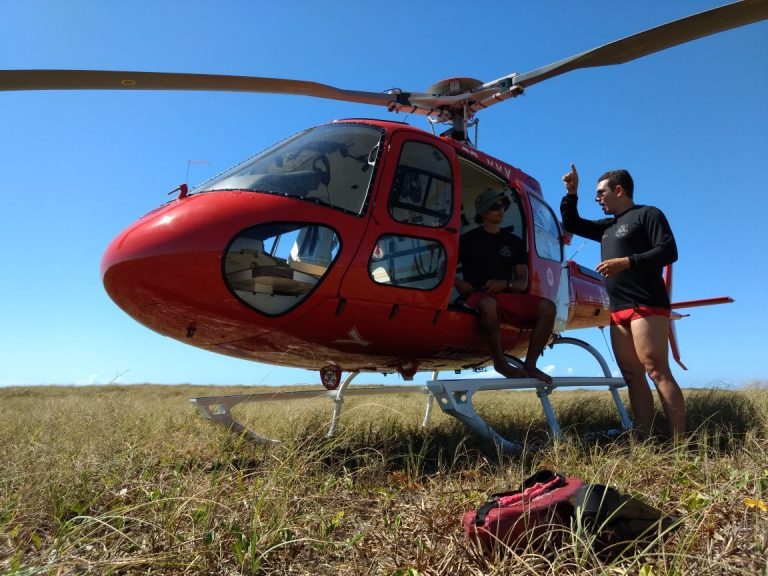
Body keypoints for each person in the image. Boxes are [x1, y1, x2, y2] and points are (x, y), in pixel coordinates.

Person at [560, 164, 683, 439]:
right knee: (631, 375)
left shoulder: (648, 214)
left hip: (646, 303)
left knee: (656, 369)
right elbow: (573, 224)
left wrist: (627, 262)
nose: (597, 198)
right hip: (618, 309)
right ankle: (644, 438)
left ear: (619, 190)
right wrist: (571, 194)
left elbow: (669, 250)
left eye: (601, 192)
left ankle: (680, 444)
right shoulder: (608, 226)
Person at [455, 188, 556, 384]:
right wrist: (460, 284)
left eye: (503, 206)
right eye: (495, 207)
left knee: (548, 307)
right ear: (483, 213)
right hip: (477, 296)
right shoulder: (467, 240)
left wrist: (505, 284)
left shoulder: (513, 242)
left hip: (506, 297)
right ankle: (500, 363)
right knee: (488, 304)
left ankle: (531, 364)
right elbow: (445, 269)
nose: (501, 211)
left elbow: (522, 282)